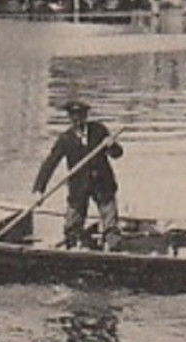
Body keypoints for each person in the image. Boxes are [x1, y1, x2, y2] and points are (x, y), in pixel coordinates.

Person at [33, 100, 123, 249]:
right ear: (70, 118)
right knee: (72, 226)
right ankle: (72, 249)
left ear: (86, 116)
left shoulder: (99, 131)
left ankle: (114, 251)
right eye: (73, 117)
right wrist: (39, 190)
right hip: (78, 186)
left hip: (102, 184)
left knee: (110, 224)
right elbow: (50, 163)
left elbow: (117, 154)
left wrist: (112, 145)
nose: (77, 120)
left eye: (80, 116)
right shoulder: (65, 139)